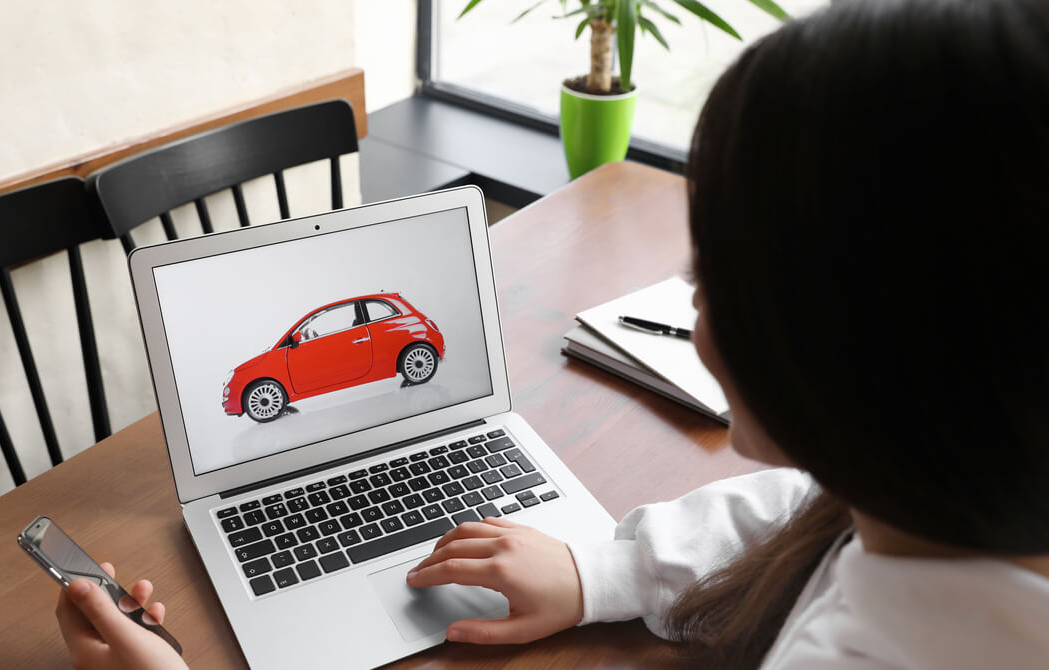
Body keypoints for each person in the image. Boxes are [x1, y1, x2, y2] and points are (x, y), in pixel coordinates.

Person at [55, 0, 1049, 667]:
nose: (691, 309)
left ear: (859, 351)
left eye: (712, 281)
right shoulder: (939, 507)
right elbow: (801, 512)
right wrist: (596, 570)